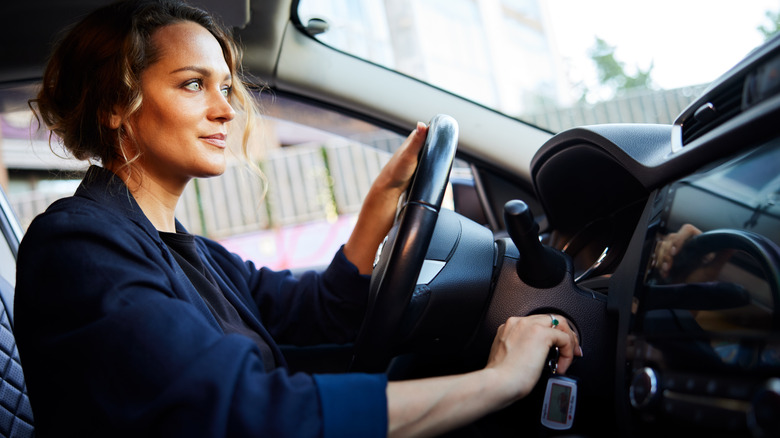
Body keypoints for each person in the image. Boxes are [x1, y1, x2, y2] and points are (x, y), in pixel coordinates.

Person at [14, 1, 582, 437]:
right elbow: (251, 415)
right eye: (193, 83)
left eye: (226, 87)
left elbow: (316, 313)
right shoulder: (77, 246)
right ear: (118, 104)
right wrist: (498, 382)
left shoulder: (188, 252)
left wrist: (380, 206)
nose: (226, 108)